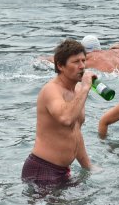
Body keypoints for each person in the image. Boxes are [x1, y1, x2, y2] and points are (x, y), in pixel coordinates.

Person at [22, 39, 96, 188]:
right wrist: (86, 88)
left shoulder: (76, 91)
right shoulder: (51, 90)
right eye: (75, 62)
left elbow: (75, 131)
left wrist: (88, 166)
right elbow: (66, 118)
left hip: (62, 171)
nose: (82, 66)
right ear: (60, 66)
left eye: (83, 60)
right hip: (42, 170)